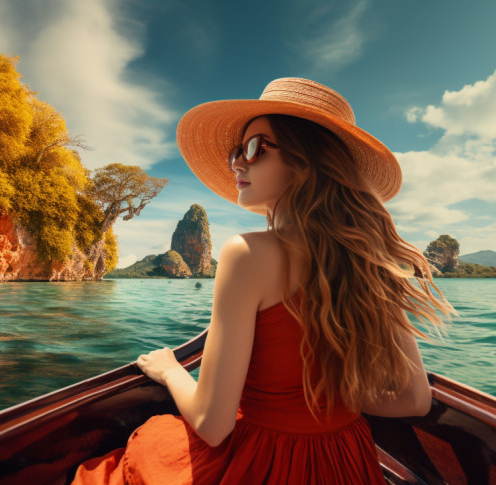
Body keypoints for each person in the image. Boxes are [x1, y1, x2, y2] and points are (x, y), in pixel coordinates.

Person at [72, 77, 455, 484]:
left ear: (306, 161)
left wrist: (169, 371)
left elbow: (212, 424)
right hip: (347, 463)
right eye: (238, 151)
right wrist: (330, 399)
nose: (238, 162)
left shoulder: (246, 254)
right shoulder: (374, 263)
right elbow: (415, 400)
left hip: (264, 464)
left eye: (255, 148)